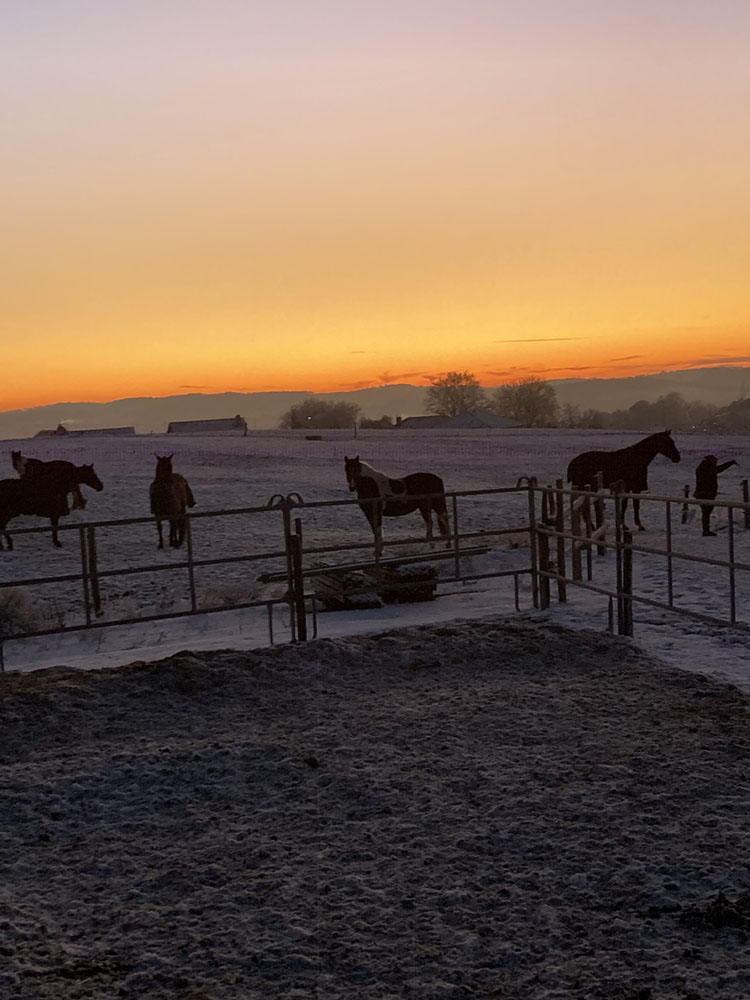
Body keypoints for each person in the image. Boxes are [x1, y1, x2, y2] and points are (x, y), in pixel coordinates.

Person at [693, 455, 738, 536]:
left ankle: (706, 530)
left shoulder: (701, 468)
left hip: (702, 494)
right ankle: (706, 530)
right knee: (706, 512)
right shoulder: (707, 468)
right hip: (706, 494)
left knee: (706, 513)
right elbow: (719, 469)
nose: (715, 463)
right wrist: (730, 463)